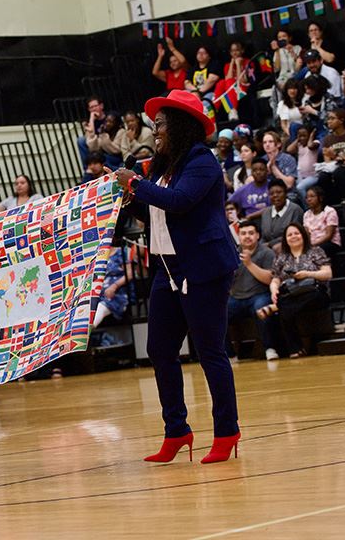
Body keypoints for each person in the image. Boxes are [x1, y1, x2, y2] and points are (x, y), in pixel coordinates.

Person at [113, 89, 241, 464]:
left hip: (204, 269)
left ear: (181, 127)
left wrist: (135, 184)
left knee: (210, 352)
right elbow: (155, 215)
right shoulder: (162, 168)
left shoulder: (202, 161)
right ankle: (177, 430)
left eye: (162, 125)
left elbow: (181, 202)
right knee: (159, 350)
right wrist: (127, 196)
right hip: (167, 269)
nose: (156, 131)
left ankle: (227, 430)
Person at [266, 224, 333, 358]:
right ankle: (296, 349)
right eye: (289, 235)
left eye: (296, 233)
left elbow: (327, 273)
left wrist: (307, 274)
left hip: (315, 292)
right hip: (291, 293)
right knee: (285, 304)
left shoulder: (315, 251)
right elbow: (275, 280)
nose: (293, 237)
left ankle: (294, 348)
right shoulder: (281, 257)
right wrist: (273, 291)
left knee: (285, 306)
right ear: (285, 239)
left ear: (303, 235)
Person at [226, 222, 279, 361]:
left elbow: (269, 279)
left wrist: (249, 263)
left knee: (261, 308)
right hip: (236, 297)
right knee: (217, 314)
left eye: (251, 233)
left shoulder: (267, 253)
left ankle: (270, 348)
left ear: (257, 236)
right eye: (243, 234)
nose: (247, 237)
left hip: (259, 295)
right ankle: (229, 354)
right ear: (238, 236)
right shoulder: (232, 252)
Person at [260, 179, 304, 250]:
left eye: (279, 192)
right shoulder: (266, 212)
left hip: (289, 247)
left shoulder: (295, 210)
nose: (275, 195)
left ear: (286, 193)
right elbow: (264, 237)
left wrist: (270, 244)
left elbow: (295, 235)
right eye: (271, 194)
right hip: (268, 250)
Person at [303, 186, 340, 256]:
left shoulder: (329, 211)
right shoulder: (306, 214)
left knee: (315, 251)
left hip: (329, 243)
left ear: (320, 198)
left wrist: (313, 244)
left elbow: (329, 235)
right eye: (307, 197)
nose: (309, 199)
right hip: (312, 244)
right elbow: (306, 233)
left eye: (312, 196)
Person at [289, 125, 321, 196]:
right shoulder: (299, 145)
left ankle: (306, 206)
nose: (302, 138)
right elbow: (289, 150)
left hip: (313, 175)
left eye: (304, 136)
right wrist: (297, 139)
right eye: (300, 136)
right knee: (295, 192)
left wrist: (311, 136)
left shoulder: (315, 142)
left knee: (300, 187)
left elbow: (310, 146)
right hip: (300, 174)